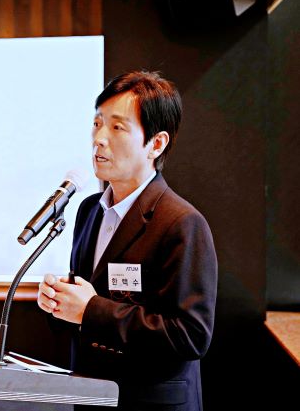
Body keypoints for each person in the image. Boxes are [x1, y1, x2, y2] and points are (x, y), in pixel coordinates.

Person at [37, 71, 217, 411]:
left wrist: (91, 310)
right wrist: (60, 303)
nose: (99, 139)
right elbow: (88, 303)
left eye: (117, 128)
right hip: (91, 396)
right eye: (97, 124)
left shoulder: (181, 223)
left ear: (156, 144)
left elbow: (190, 335)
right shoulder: (89, 210)